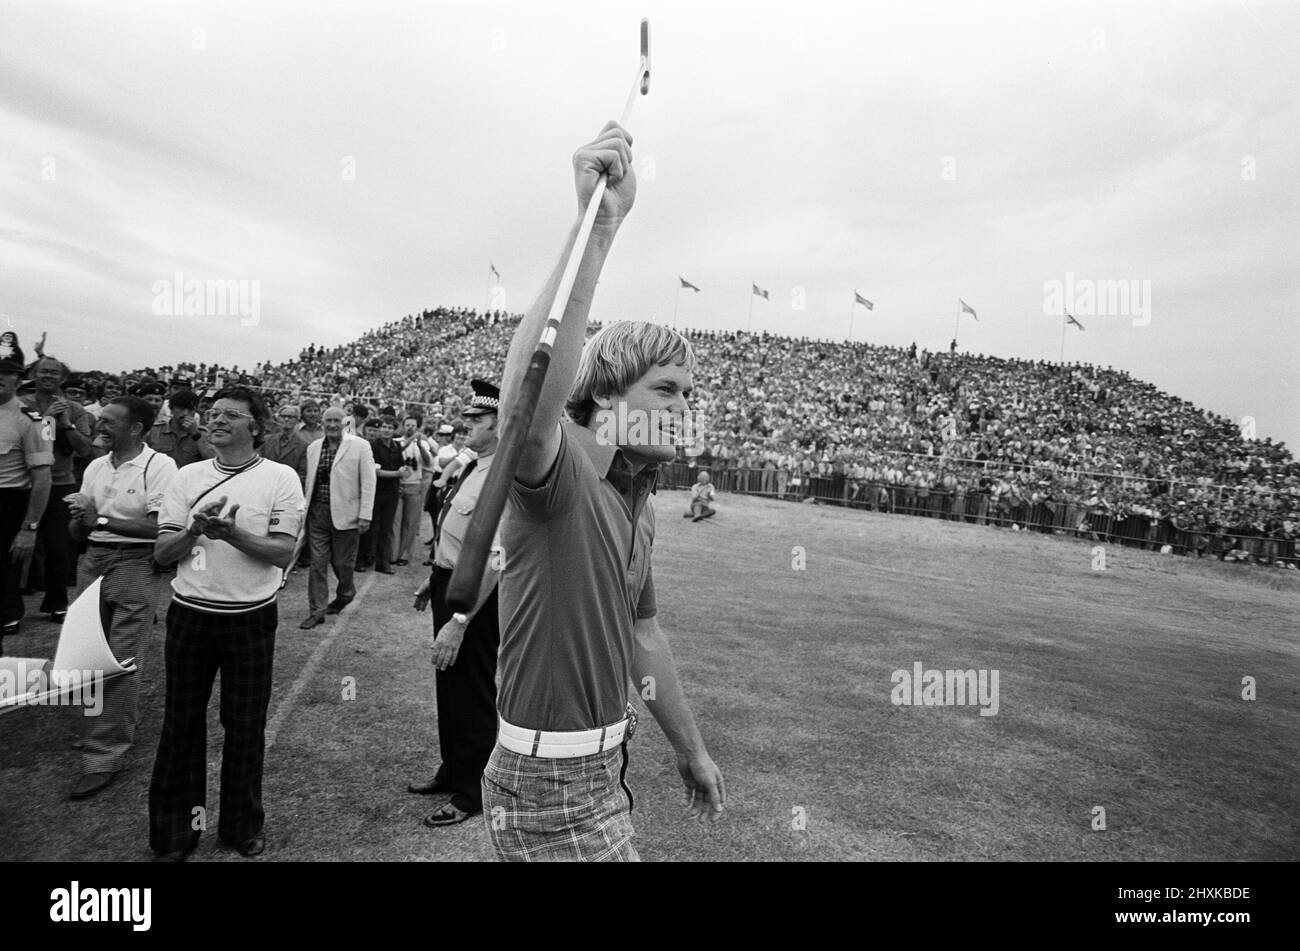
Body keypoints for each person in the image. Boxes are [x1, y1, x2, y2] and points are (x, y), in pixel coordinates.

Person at [484, 123, 725, 861]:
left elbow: (644, 637)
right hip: (544, 785)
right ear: (609, 394)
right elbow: (526, 414)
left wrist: (690, 747)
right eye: (669, 389)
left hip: (601, 771)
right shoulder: (562, 473)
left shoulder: (638, 501)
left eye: (691, 391)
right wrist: (597, 229)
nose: (687, 407)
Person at [148, 387, 305, 861]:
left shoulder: (281, 478)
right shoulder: (187, 475)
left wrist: (232, 533)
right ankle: (176, 832)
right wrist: (194, 530)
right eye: (212, 414)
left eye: (230, 416)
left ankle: (241, 826)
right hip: (190, 616)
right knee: (181, 724)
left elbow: (282, 552)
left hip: (250, 620)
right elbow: (161, 553)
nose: (215, 421)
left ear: (256, 427)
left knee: (244, 725)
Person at [65, 396, 178, 799]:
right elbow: (82, 532)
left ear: (136, 429)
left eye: (110, 421)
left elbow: (159, 529)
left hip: (134, 565)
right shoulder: (96, 465)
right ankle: (98, 730)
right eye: (101, 420)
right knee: (88, 654)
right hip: (93, 559)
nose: (100, 426)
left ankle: (103, 757)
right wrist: (82, 521)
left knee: (120, 659)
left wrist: (99, 518)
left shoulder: (159, 466)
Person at [409, 380, 502, 827]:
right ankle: (453, 769)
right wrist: (435, 579)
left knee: (472, 689)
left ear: (502, 424)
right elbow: (454, 530)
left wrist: (462, 618)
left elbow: (496, 558)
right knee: (448, 682)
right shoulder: (474, 466)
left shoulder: (503, 476)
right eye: (466, 419)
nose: (466, 427)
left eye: (477, 421)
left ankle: (473, 790)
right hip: (450, 580)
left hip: (477, 598)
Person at [23, 356, 94, 621]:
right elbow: (37, 442)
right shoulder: (21, 404)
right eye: (43, 372)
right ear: (33, 374)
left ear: (62, 378)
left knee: (58, 547)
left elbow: (85, 449)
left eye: (54, 373)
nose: (49, 377)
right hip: (23, 481)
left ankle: (57, 602)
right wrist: (47, 421)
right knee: (15, 544)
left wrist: (65, 423)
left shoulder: (75, 409)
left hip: (60, 482)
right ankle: (10, 605)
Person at [300, 406, 375, 628]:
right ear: (322, 423)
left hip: (347, 515)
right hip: (317, 513)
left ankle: (346, 593)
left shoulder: (360, 446)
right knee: (317, 563)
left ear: (345, 423)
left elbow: (369, 482)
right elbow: (309, 481)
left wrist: (365, 515)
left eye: (336, 420)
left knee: (342, 564)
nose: (332, 425)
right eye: (328, 420)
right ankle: (317, 610)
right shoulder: (313, 447)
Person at [0, 357, 53, 646]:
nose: (1, 377)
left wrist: (29, 528)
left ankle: (8, 614)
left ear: (19, 381)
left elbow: (43, 478)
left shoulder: (33, 420)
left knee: (6, 565)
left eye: (7, 373)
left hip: (8, 502)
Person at [393, 413, 433, 566]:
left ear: (418, 428)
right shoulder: (397, 441)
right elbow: (397, 452)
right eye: (407, 425)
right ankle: (394, 553)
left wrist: (421, 445)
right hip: (397, 484)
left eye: (413, 426)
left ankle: (404, 554)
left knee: (410, 523)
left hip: (414, 485)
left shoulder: (423, 444)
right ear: (403, 426)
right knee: (396, 522)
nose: (410, 428)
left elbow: (429, 462)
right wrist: (411, 440)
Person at [367, 414, 403, 574]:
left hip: (392, 493)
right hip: (376, 491)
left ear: (394, 430)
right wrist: (397, 474)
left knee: (386, 528)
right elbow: (375, 472)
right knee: (371, 526)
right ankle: (364, 559)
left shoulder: (396, 446)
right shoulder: (372, 446)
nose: (387, 430)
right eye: (384, 427)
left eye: (390, 427)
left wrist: (402, 472)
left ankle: (382, 563)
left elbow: (402, 467)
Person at [147, 389, 215, 468]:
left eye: (190, 410)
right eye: (181, 409)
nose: (185, 413)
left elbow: (212, 460)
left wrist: (195, 434)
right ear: (171, 409)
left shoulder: (203, 434)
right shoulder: (154, 431)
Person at [260, 402, 308, 489]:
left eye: (291, 417)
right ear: (278, 418)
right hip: (264, 486)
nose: (286, 419)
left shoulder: (303, 446)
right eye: (283, 416)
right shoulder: (266, 440)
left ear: (297, 420)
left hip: (287, 489)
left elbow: (302, 474)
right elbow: (258, 465)